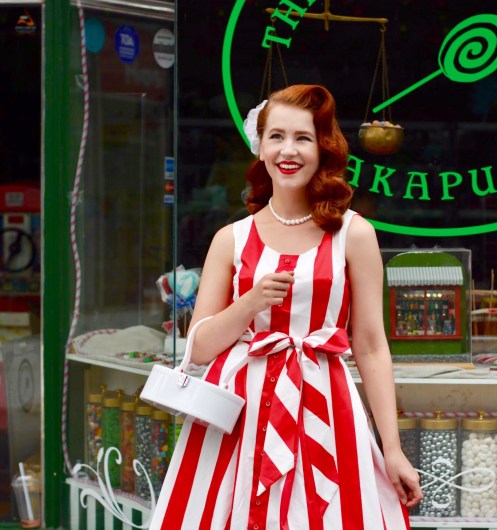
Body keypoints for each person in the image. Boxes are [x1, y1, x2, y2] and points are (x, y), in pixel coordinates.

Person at [150, 84, 422, 529]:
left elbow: (371, 347)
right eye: (276, 136)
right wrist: (250, 302)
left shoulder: (354, 234)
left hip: (326, 406)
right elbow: (197, 348)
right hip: (237, 415)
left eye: (303, 138)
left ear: (323, 149)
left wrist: (392, 450)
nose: (288, 150)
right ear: (260, 147)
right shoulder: (231, 238)